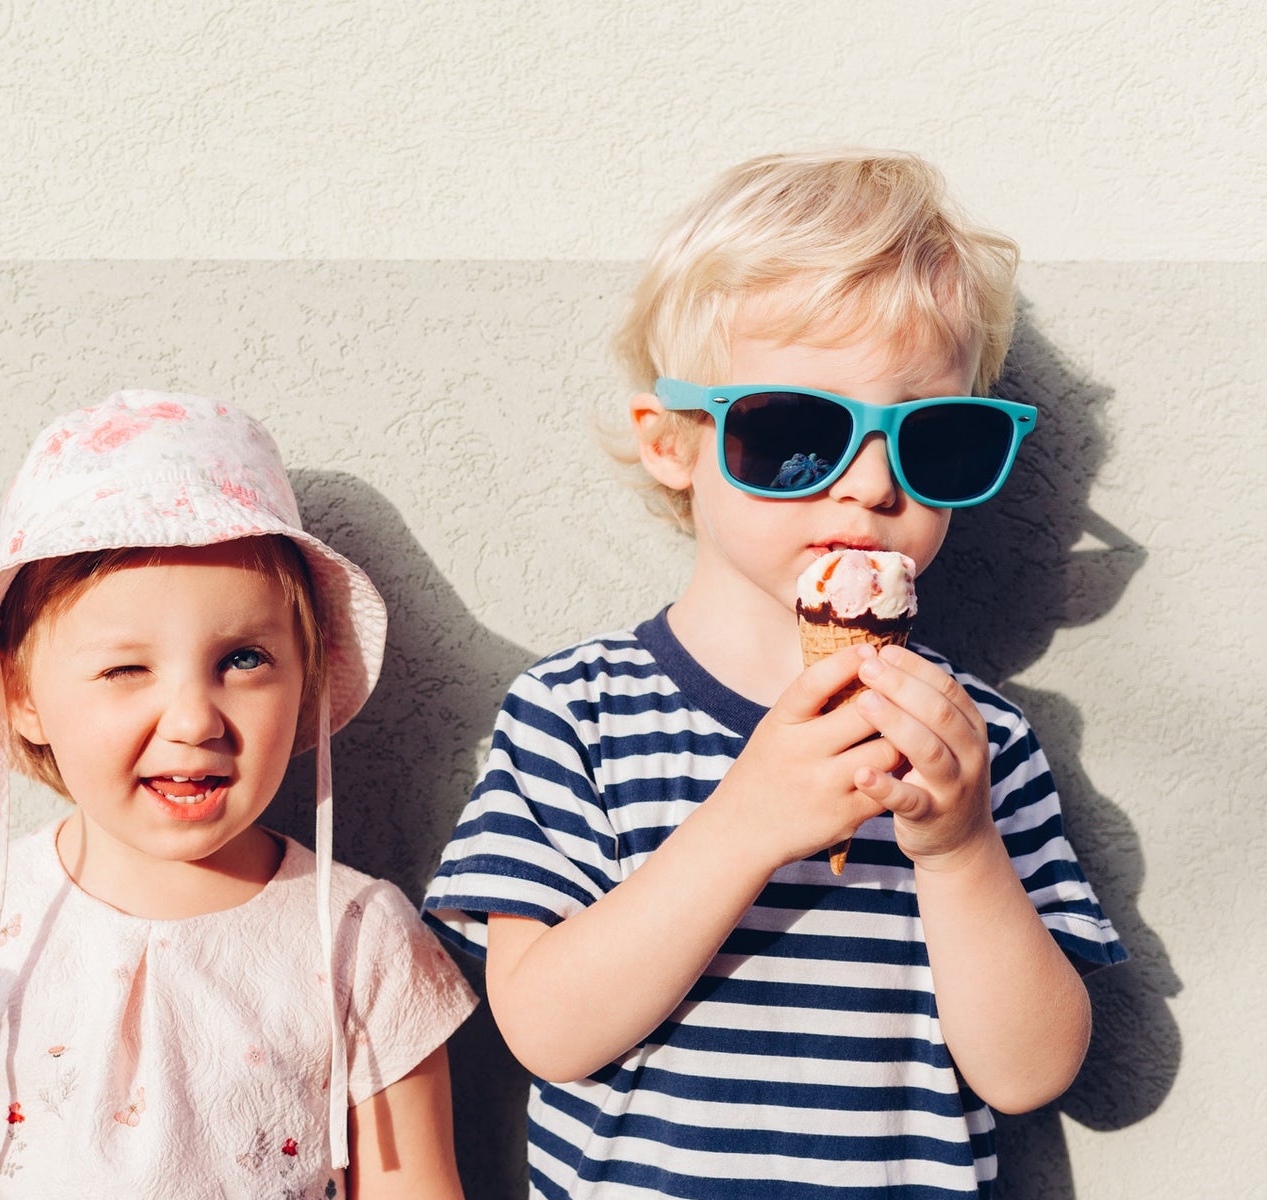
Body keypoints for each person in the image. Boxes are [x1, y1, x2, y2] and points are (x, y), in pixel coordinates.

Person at [422, 150, 1125, 1198]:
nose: (873, 484)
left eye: (935, 438)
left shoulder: (976, 740)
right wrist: (743, 822)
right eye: (796, 432)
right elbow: (544, 1033)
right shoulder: (575, 713)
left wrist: (962, 851)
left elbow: (1026, 1074)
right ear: (671, 445)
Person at [0, 390, 477, 1199]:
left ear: (306, 677)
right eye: (126, 668)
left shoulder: (358, 940)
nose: (193, 717)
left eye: (243, 659)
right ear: (21, 695)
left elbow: (410, 1185)